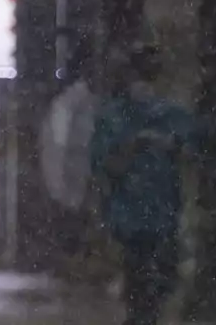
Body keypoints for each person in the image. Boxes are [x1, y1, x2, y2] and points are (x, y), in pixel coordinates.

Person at [90, 42, 198, 325]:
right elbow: (105, 164)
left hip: (162, 212)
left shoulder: (172, 116)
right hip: (134, 216)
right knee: (140, 275)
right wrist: (137, 145)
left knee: (159, 276)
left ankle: (145, 314)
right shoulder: (115, 116)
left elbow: (193, 153)